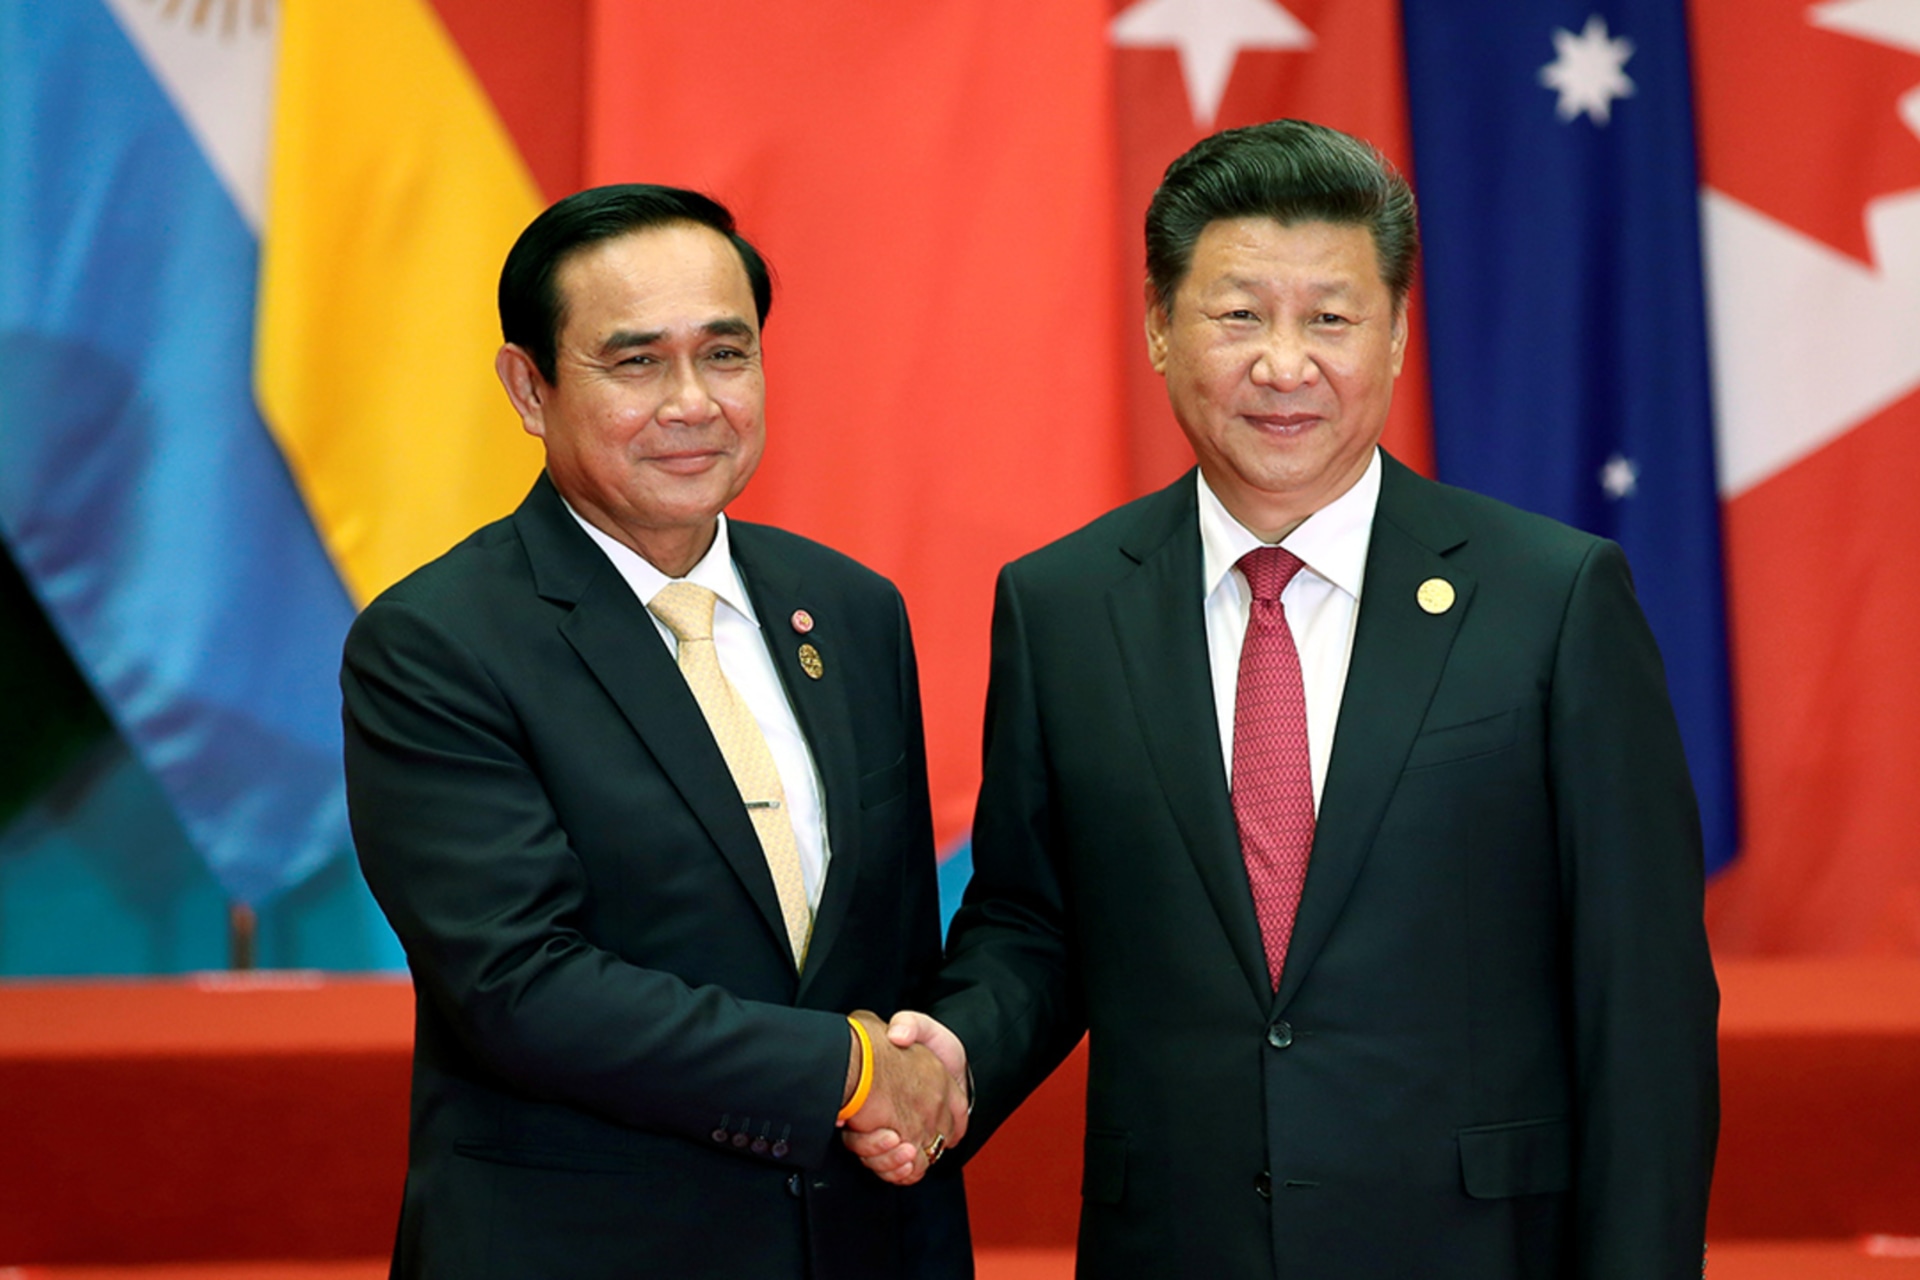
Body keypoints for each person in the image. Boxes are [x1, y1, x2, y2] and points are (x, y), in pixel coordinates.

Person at [858, 120, 1719, 1277]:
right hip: (1175, 1240)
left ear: (1400, 333)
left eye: (1330, 316)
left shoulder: (1552, 599)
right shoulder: (1060, 607)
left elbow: (1643, 995)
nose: (1284, 363)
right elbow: (1036, 918)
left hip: (1477, 1244)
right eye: (1237, 314)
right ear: (1160, 329)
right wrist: (949, 1048)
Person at [343, 184, 970, 1280]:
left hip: (863, 1240)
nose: (693, 401)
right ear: (528, 388)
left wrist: (914, 1078)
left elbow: (893, 948)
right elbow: (520, 986)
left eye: (726, 354)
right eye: (636, 363)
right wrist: (848, 1067)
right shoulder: (437, 641)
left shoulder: (851, 609)